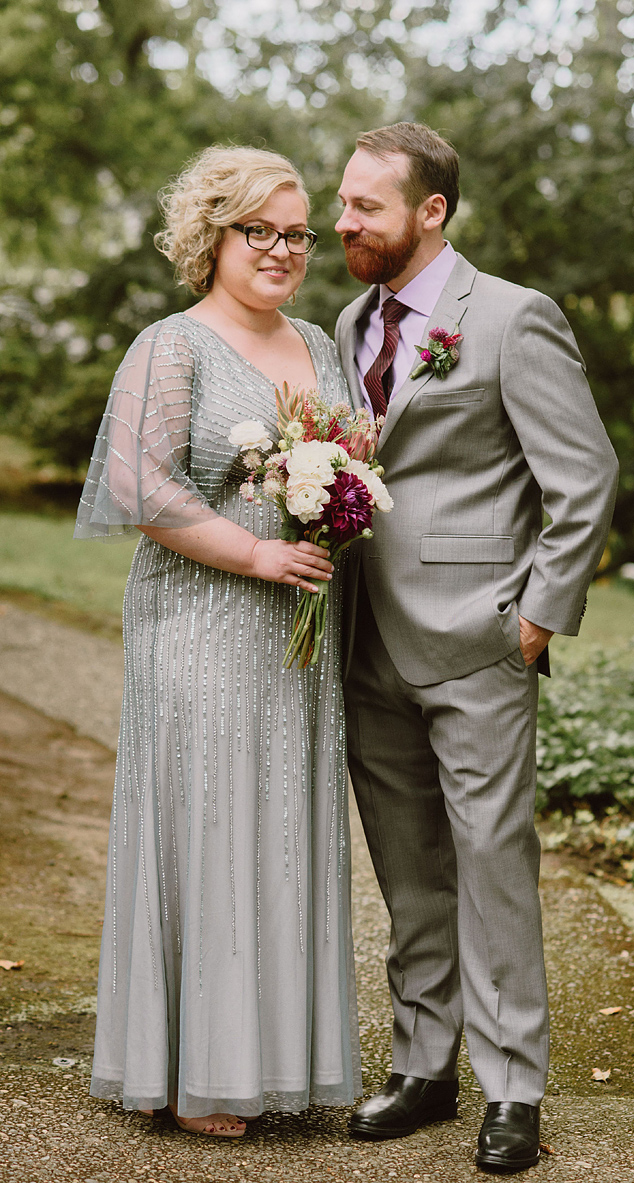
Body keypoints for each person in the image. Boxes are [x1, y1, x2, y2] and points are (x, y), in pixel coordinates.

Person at [332, 123, 619, 1175]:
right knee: (408, 870)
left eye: (366, 206)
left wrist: (536, 616)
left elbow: (583, 475)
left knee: (494, 866)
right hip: (363, 638)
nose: (343, 220)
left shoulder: (509, 318)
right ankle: (423, 1063)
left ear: (432, 212)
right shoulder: (346, 319)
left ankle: (513, 1088)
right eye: (344, 201)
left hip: (479, 639)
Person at [76, 147, 358, 1135]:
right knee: (214, 824)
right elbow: (139, 488)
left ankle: (281, 1058)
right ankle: (195, 1067)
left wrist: (338, 503)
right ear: (213, 236)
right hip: (199, 619)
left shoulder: (322, 344)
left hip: (300, 629)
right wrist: (254, 554)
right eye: (261, 231)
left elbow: (350, 458)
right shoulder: (172, 346)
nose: (284, 250)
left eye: (298, 233)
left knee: (283, 824)